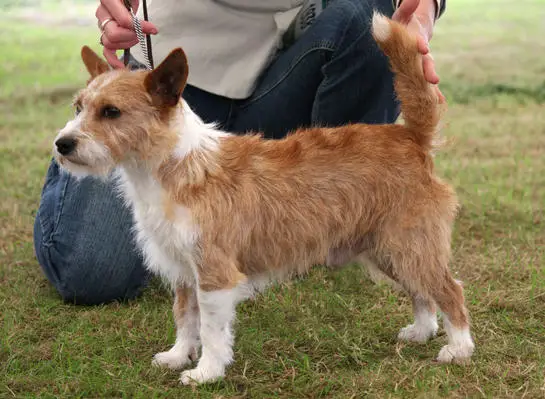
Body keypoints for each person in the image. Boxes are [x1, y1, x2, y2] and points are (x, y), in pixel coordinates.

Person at [34, 0, 446, 305]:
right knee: (89, 272)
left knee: (363, 18)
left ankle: (339, 227)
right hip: (168, 67)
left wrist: (422, 8)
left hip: (299, 56)